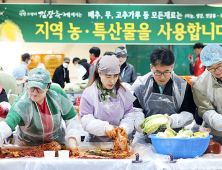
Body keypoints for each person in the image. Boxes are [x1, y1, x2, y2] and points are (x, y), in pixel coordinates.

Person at [0, 68, 80, 155]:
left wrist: (72, 138)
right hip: (28, 148)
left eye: (39, 88)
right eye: (31, 87)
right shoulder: (22, 102)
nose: (34, 92)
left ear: (48, 87)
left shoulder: (57, 95)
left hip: (57, 147)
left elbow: (71, 117)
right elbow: (8, 124)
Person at [132, 47, 196, 143]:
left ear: (172, 67)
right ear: (151, 67)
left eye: (166, 72)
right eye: (157, 72)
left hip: (174, 137)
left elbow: (189, 114)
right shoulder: (140, 85)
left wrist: (172, 120)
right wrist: (140, 124)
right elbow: (136, 110)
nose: (162, 77)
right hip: (145, 138)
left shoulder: (182, 86)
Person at [80, 55, 135, 142]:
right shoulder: (89, 93)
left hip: (120, 141)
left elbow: (129, 114)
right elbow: (86, 119)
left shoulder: (124, 92)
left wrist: (123, 129)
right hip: (95, 143)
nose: (112, 81)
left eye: (116, 76)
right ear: (100, 73)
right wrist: (104, 127)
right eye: (108, 77)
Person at [192, 44, 222, 144]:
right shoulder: (200, 84)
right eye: (211, 68)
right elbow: (206, 110)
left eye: (219, 66)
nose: (217, 71)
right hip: (215, 135)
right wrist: (219, 122)